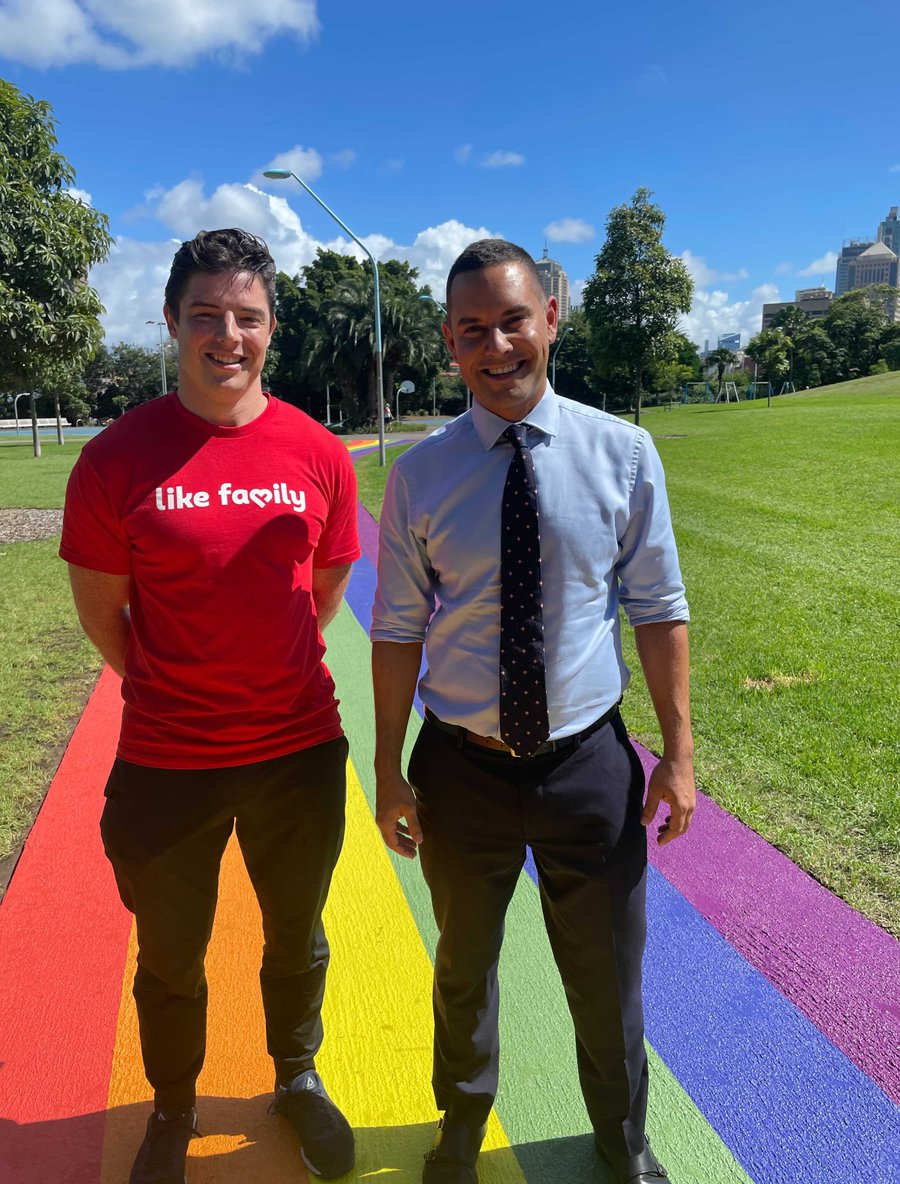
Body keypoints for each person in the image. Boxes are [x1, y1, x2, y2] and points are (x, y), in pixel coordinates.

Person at [371, 240, 695, 1184]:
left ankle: (622, 1141)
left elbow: (660, 607)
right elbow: (394, 629)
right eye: (473, 329)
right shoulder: (420, 476)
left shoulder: (623, 454)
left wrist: (676, 753)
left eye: (514, 319)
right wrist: (389, 767)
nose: (498, 345)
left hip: (586, 765)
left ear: (552, 317)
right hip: (460, 768)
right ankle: (461, 1130)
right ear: (448, 343)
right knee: (462, 967)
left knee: (605, 978)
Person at [60, 229, 360, 1184]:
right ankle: (173, 1108)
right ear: (172, 321)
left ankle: (298, 1078)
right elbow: (106, 619)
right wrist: (177, 686)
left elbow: (322, 592)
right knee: (170, 957)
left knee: (296, 935)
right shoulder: (114, 459)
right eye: (206, 316)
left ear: (271, 327)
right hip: (165, 760)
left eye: (248, 317)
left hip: (297, 752)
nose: (227, 335)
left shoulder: (317, 453)